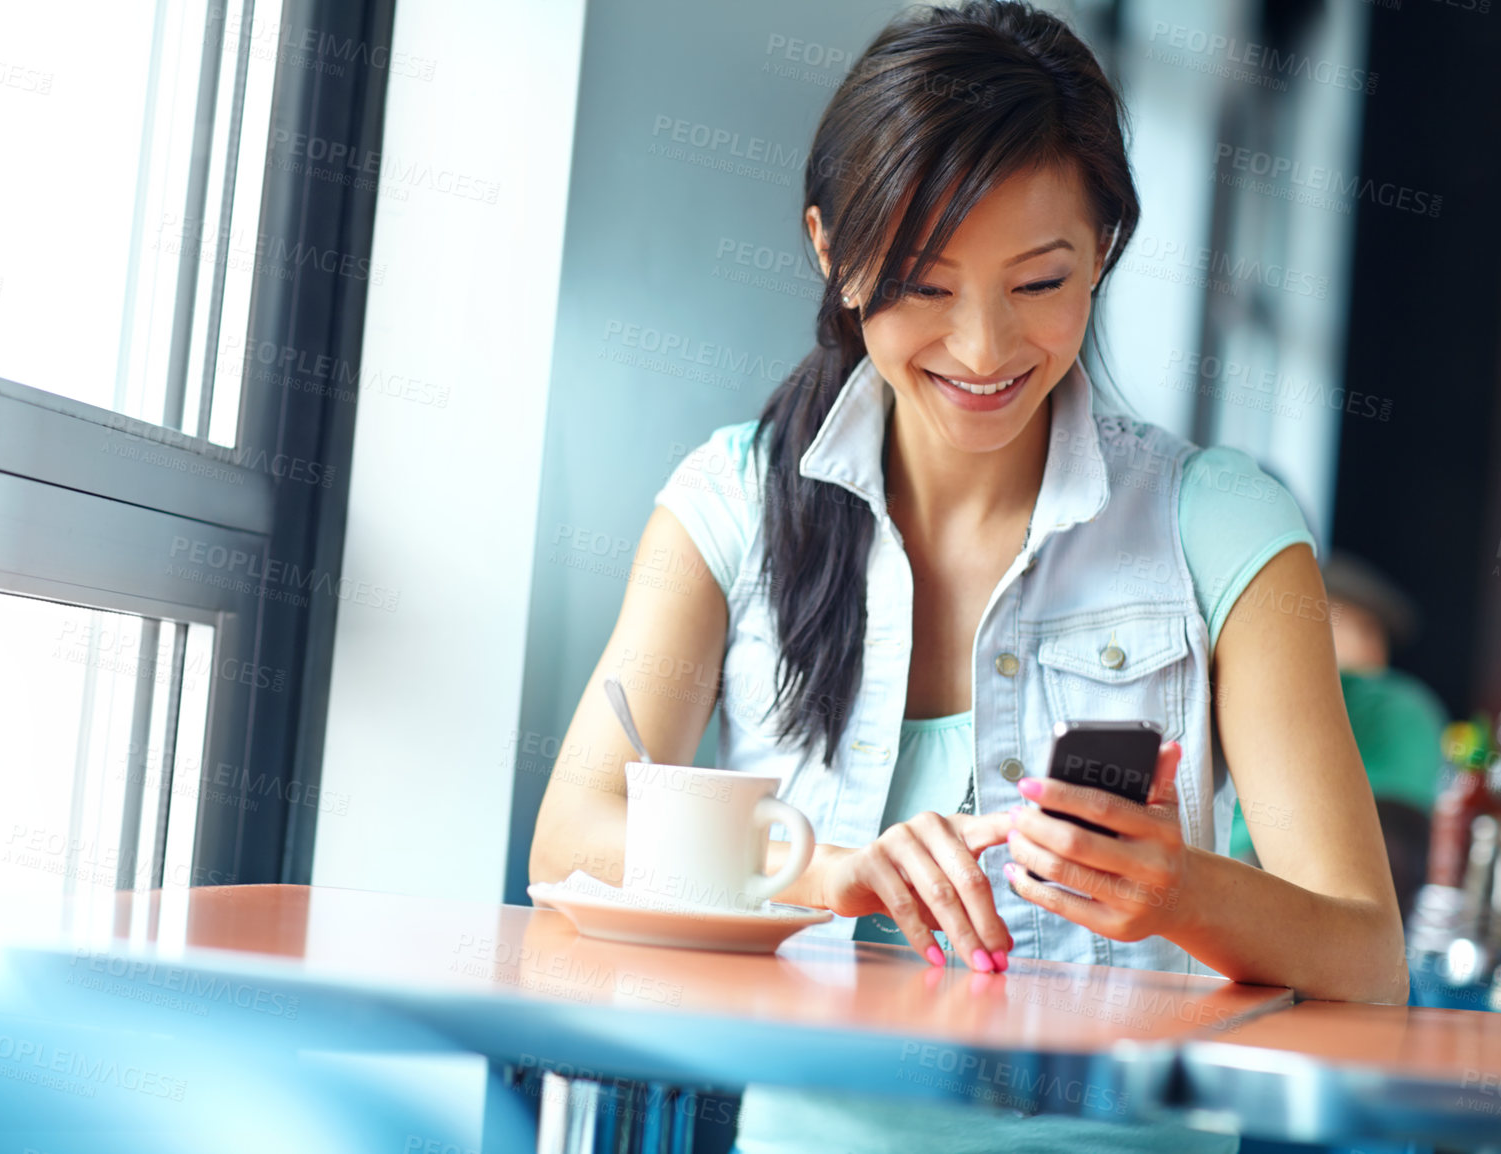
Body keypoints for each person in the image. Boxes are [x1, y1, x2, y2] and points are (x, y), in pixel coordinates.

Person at [528, 3, 1406, 1149]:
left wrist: (1179, 891)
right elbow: (571, 833)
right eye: (926, 287)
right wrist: (835, 873)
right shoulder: (729, 504)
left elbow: (1365, 955)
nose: (985, 350)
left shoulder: (1228, 528)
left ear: (1102, 255)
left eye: (1038, 284)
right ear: (832, 254)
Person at [1229, 551, 1446, 921]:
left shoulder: (1398, 707)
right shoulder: (1250, 691)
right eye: (1355, 628)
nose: (1373, 650)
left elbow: (1388, 841)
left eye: (1373, 632)